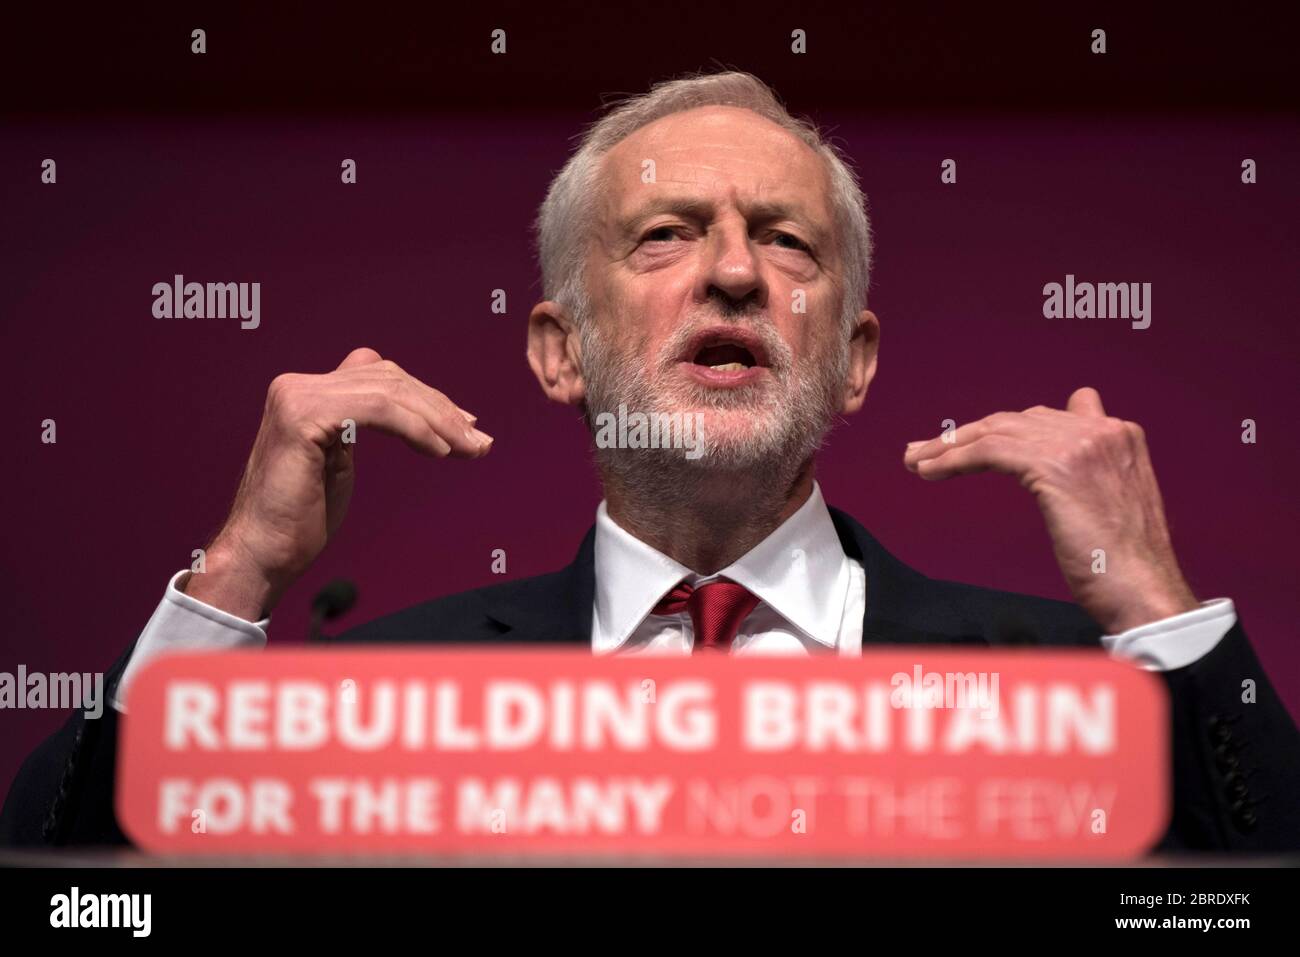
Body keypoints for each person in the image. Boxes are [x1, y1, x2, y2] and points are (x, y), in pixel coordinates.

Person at [3, 71, 1296, 851]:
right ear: (560, 352)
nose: (735, 269)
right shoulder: (383, 706)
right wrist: (235, 578)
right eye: (668, 234)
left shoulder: (1079, 694)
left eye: (786, 242)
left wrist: (1162, 615)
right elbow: (74, 896)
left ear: (854, 359)